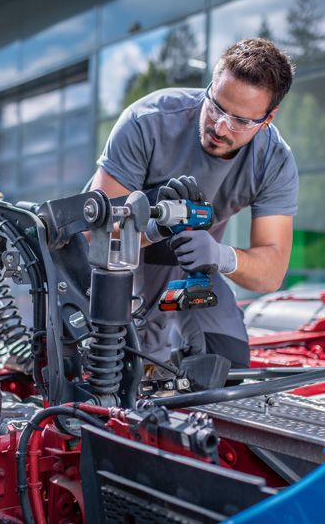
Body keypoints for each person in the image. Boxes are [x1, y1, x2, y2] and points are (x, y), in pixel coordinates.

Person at [89, 38, 298, 370]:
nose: (219, 127)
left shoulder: (273, 161)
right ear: (211, 86)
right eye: (216, 106)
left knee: (224, 366)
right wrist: (156, 227)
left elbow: (270, 273)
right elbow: (94, 237)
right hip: (108, 269)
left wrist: (222, 256)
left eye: (241, 122)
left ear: (268, 118)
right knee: (109, 370)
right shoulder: (149, 121)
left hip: (191, 261)